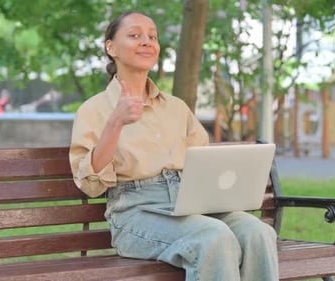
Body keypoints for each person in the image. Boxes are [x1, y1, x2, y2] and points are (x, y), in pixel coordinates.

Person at [69, 11, 279, 281]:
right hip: (135, 213)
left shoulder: (176, 108)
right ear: (111, 48)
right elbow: (89, 184)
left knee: (257, 232)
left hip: (190, 203)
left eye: (152, 36)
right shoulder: (94, 110)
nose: (146, 41)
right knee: (212, 238)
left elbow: (203, 162)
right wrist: (115, 124)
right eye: (134, 35)